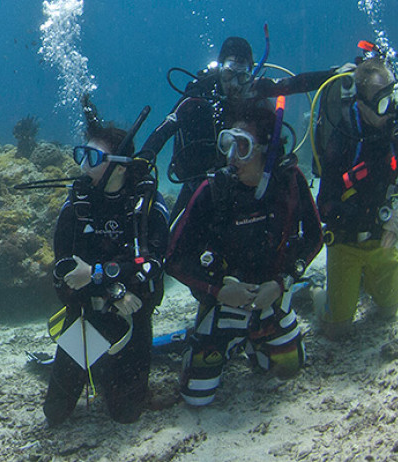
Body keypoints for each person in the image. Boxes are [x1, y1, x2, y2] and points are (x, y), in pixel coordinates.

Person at [166, 103, 323, 406]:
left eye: (243, 146)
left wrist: (282, 282)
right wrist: (219, 290)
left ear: (267, 149)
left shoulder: (290, 181)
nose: (231, 156)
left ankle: (256, 340)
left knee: (288, 368)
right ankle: (207, 338)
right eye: (228, 143)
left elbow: (314, 237)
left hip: (270, 298)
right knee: (196, 398)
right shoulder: (212, 191)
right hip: (223, 303)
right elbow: (173, 258)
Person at [43, 98, 169, 425]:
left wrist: (98, 276)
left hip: (131, 314)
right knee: (54, 413)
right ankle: (94, 361)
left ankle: (110, 363)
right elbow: (64, 270)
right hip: (88, 312)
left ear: (121, 165)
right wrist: (103, 286)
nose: (84, 166)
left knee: (125, 414)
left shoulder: (148, 206)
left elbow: (151, 266)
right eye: (81, 155)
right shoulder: (77, 205)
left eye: (93, 157)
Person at [137, 35, 335, 219]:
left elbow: (293, 83)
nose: (234, 84)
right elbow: (166, 128)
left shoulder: (254, 89)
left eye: (242, 77)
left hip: (243, 183)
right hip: (197, 182)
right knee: (175, 236)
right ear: (220, 69)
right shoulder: (200, 94)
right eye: (229, 74)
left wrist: (334, 74)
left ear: (251, 74)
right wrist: (142, 160)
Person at [313, 53, 398, 339]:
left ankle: (367, 283)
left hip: (384, 240)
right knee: (337, 330)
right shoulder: (343, 140)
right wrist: (355, 217)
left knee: (389, 310)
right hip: (347, 244)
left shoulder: (395, 130)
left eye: (393, 96)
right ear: (361, 105)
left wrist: (395, 217)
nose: (391, 110)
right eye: (383, 102)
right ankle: (317, 295)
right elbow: (323, 205)